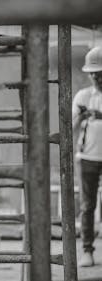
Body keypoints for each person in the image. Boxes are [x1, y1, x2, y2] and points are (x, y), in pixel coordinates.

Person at [73, 46, 102, 267]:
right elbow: (70, 130)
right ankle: (87, 251)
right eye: (93, 73)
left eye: (100, 73)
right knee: (87, 206)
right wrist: (81, 117)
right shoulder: (83, 96)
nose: (96, 77)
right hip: (87, 157)